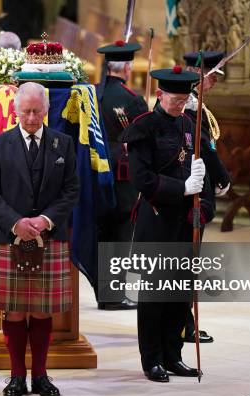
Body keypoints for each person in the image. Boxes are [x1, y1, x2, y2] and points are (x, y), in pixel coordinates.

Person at [0, 82, 79, 396]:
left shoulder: (63, 144)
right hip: (8, 238)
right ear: (15, 110)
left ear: (47, 110)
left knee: (41, 311)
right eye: (26, 111)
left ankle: (40, 375)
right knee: (15, 311)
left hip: (49, 236)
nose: (32, 118)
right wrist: (16, 223)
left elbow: (71, 190)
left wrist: (44, 220)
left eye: (38, 111)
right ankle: (17, 376)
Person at [121, 66, 213, 383]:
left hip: (185, 224)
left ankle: (174, 356)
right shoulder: (142, 129)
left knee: (179, 295)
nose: (180, 104)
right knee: (154, 297)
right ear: (160, 94)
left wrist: (205, 210)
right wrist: (181, 189)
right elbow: (141, 179)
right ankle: (153, 360)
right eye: (175, 99)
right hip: (157, 220)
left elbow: (207, 176)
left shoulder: (192, 125)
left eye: (185, 98)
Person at [182, 51, 232, 344]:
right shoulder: (189, 109)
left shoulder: (192, 105)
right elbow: (205, 150)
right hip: (191, 195)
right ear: (198, 75)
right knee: (186, 263)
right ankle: (182, 324)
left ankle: (185, 321)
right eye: (212, 76)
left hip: (196, 192)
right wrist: (223, 180)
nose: (213, 83)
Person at [96, 40, 149, 310]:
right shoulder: (132, 99)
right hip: (122, 175)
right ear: (127, 67)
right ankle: (114, 295)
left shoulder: (94, 94)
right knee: (121, 235)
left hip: (96, 173)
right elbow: (145, 140)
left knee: (103, 233)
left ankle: (104, 293)